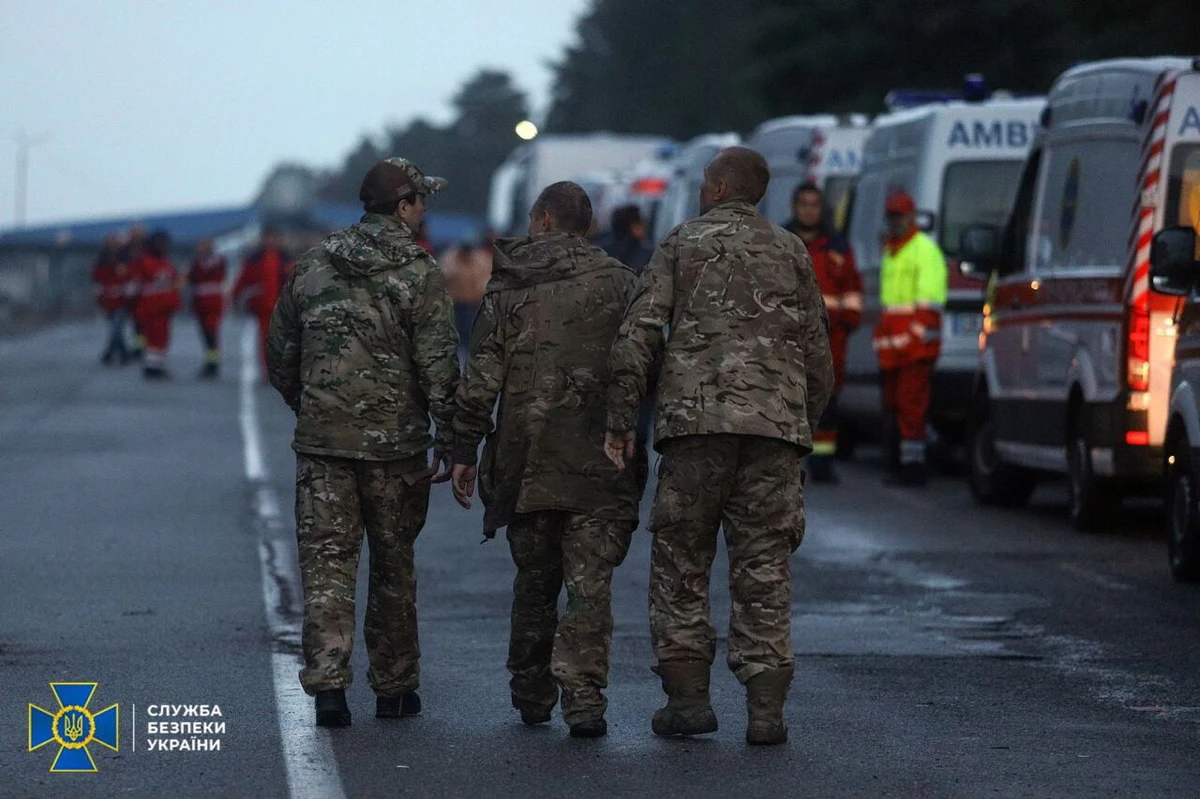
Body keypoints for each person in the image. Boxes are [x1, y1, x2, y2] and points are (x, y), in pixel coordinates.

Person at [604, 147, 833, 746]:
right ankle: (765, 710)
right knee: (764, 565)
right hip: (773, 433)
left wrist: (623, 417)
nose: (703, 189)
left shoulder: (681, 244)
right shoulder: (791, 251)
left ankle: (687, 701)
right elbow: (818, 352)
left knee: (681, 560)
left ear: (723, 186)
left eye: (707, 181)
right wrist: (798, 418)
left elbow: (638, 334)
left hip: (694, 430)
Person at [266, 157, 459, 728]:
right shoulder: (419, 273)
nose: (424, 210)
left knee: (327, 568)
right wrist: (452, 437)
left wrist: (310, 405)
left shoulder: (313, 264)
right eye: (420, 200)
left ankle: (329, 689)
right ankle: (395, 689)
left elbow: (281, 354)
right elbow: (439, 367)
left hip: (324, 446)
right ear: (402, 206)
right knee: (394, 567)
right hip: (396, 450)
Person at [449, 182, 644, 740]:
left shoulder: (510, 287)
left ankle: (532, 690)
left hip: (525, 462)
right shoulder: (623, 284)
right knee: (590, 584)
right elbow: (645, 365)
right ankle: (584, 698)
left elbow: (482, 377)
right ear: (584, 225)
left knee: (535, 580)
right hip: (602, 463)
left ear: (541, 221)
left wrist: (463, 449)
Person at [784, 182, 863, 483]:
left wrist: (847, 322)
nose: (809, 209)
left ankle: (824, 463)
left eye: (814, 204)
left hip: (830, 340)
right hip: (787, 338)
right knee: (789, 402)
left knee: (827, 403)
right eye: (803, 204)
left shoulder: (838, 247)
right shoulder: (781, 240)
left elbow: (852, 290)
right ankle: (789, 463)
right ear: (794, 207)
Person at [872, 190, 948, 486]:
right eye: (892, 216)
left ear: (912, 217)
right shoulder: (893, 251)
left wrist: (912, 338)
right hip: (896, 347)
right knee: (895, 405)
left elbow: (929, 305)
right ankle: (910, 458)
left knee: (910, 405)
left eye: (901, 216)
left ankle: (914, 466)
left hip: (915, 347)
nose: (896, 221)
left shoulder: (923, 250)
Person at [233, 226, 291, 368]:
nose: (271, 241)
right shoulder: (254, 260)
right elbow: (242, 280)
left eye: (274, 238)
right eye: (269, 238)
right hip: (263, 307)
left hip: (283, 306)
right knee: (266, 339)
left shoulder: (286, 259)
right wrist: (235, 298)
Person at [131, 230, 182, 380]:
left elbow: (174, 280)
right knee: (154, 336)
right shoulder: (144, 261)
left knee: (162, 337)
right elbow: (137, 283)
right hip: (151, 306)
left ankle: (157, 365)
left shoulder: (165, 262)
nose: (164, 247)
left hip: (164, 307)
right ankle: (152, 366)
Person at [440, 232, 494, 362]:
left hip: (475, 305)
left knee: (472, 337)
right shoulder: (450, 258)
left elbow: (488, 282)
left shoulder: (482, 259)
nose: (466, 252)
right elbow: (441, 278)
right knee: (454, 337)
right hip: (455, 305)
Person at [188, 239, 227, 379]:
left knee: (211, 332)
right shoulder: (197, 262)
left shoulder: (217, 261)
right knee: (205, 333)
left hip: (212, 302)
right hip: (200, 302)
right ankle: (210, 361)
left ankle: (212, 364)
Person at [92, 233, 131, 365]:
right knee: (114, 327)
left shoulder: (124, 261)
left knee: (117, 327)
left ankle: (109, 352)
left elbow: (129, 277)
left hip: (122, 299)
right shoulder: (102, 262)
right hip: (108, 300)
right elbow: (98, 280)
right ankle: (122, 352)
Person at [596, 204, 654, 274]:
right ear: (633, 227)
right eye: (641, 223)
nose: (645, 226)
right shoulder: (645, 256)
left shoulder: (599, 250)